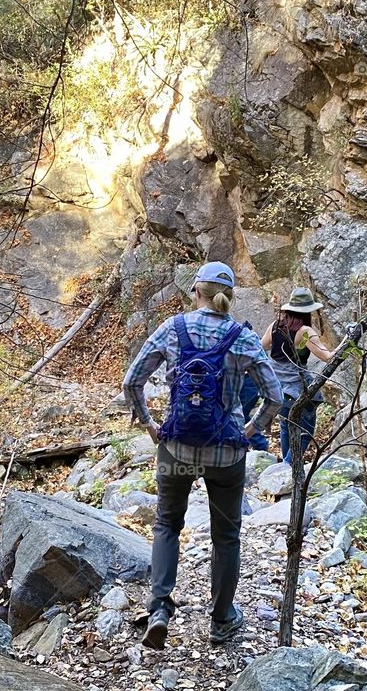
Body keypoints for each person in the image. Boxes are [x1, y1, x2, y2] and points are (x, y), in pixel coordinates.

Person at [122, 262, 283, 650]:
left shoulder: (171, 329)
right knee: (226, 536)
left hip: (175, 447)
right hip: (225, 453)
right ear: (229, 297)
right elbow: (275, 396)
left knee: (166, 525)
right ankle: (222, 619)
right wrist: (251, 429)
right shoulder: (242, 338)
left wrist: (148, 423)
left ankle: (159, 608)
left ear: (196, 291)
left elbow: (132, 381)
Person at [261, 287, 334, 465]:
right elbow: (327, 356)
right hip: (296, 390)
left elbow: (258, 347)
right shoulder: (305, 331)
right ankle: (288, 467)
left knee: (286, 427)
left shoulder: (275, 325)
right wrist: (349, 339)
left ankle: (287, 471)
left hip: (276, 389)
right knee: (305, 430)